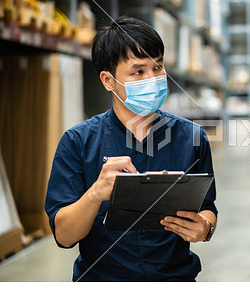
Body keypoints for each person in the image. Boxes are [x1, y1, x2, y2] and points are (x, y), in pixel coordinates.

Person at [44, 16, 217, 282]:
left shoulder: (192, 138)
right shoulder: (77, 142)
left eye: (157, 67)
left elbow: (207, 207)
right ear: (108, 80)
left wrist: (205, 229)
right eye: (138, 72)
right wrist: (94, 194)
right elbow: (64, 236)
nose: (153, 78)